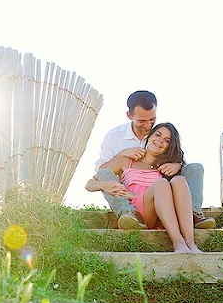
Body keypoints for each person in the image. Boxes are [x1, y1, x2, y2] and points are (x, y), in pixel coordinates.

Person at [85, 90, 215, 230]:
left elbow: (174, 153)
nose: (148, 126)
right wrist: (122, 154)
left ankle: (193, 213)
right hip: (125, 192)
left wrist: (178, 165)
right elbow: (101, 172)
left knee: (195, 167)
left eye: (152, 120)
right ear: (130, 115)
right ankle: (129, 213)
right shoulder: (114, 137)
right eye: (142, 121)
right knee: (105, 174)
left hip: (159, 191)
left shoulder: (159, 134)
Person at [96, 123, 201, 253]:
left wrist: (178, 165)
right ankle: (178, 242)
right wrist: (104, 185)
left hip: (162, 211)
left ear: (170, 146)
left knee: (179, 180)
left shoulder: (166, 168)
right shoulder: (127, 161)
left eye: (167, 141)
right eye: (158, 135)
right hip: (139, 210)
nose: (160, 141)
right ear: (149, 136)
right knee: (161, 184)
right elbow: (95, 179)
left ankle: (190, 243)